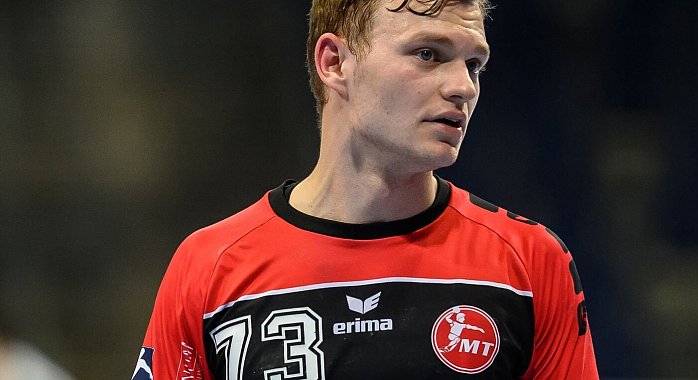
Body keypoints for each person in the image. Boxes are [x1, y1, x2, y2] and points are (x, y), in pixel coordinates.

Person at [134, 0, 598, 378]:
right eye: (428, 54)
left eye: (474, 64)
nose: (463, 87)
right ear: (335, 62)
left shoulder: (529, 262)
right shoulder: (210, 266)